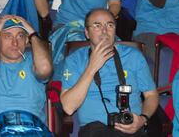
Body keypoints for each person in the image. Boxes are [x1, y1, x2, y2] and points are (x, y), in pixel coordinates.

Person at [61, 8, 159, 137]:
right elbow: (68, 107)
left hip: (132, 126)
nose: (104, 31)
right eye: (97, 25)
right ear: (87, 32)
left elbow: (151, 95)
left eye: (110, 25)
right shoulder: (75, 60)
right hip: (95, 129)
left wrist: (142, 119)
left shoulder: (134, 56)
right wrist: (91, 68)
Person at [0, 15, 53, 135]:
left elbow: (45, 69)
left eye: (20, 36)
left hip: (33, 130)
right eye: (8, 36)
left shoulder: (34, 62)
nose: (15, 42)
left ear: (26, 40)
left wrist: (32, 33)